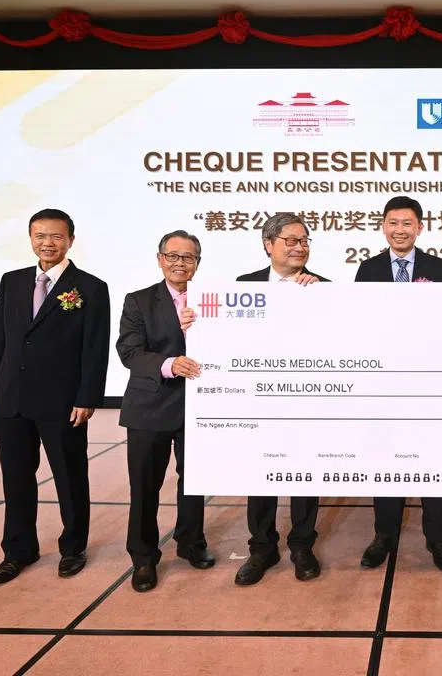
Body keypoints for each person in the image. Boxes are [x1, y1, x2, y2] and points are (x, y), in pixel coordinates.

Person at [0, 209, 110, 585]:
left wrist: (87, 397)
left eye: (55, 236)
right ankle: (18, 550)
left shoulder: (89, 287)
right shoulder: (12, 281)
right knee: (16, 478)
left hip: (62, 402)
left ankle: (73, 548)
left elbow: (94, 348)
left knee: (70, 477)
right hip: (12, 400)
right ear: (30, 238)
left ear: (70, 239)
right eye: (40, 236)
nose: (47, 243)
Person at [354, 196, 442, 571]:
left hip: (428, 384)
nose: (400, 230)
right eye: (393, 223)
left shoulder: (438, 268)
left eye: (407, 223)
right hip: (382, 385)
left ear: (420, 227)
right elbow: (358, 325)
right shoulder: (367, 269)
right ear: (383, 226)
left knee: (432, 462)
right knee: (385, 462)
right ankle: (384, 536)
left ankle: (438, 540)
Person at [116, 230, 215, 593]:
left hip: (199, 405)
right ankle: (143, 557)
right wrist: (170, 363)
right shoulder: (139, 301)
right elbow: (129, 351)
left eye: (188, 258)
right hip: (149, 406)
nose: (180, 263)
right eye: (172, 256)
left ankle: (191, 543)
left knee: (194, 481)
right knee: (145, 486)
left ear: (198, 263)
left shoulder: (212, 301)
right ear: (159, 259)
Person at [234, 213, 327, 585]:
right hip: (260, 402)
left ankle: (302, 545)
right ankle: (262, 548)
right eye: (290, 240)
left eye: (304, 240)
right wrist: (198, 322)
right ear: (268, 244)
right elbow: (229, 339)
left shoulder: (325, 287)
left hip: (308, 402)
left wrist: (320, 298)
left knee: (306, 474)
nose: (299, 246)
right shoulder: (242, 286)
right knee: (261, 475)